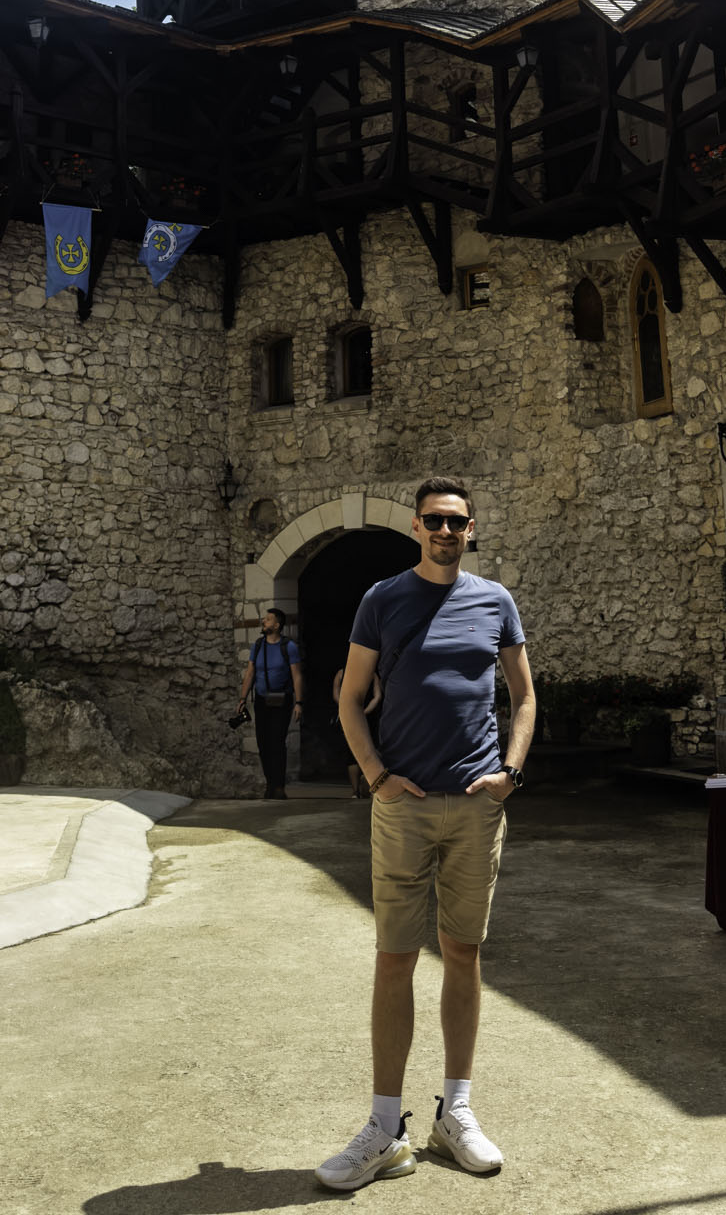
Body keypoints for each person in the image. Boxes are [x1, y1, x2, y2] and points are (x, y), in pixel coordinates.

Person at [315, 476, 536, 1192]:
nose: (445, 531)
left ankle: (455, 1114)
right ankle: (385, 1128)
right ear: (416, 527)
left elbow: (524, 696)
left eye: (456, 522)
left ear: (472, 529)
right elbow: (350, 699)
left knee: (463, 954)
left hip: (476, 805)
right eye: (434, 521)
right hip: (403, 805)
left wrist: (510, 772)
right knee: (394, 960)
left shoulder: (495, 601)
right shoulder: (382, 599)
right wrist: (376, 776)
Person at [235, 608, 303, 799]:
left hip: (282, 700)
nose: (263, 621)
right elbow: (250, 673)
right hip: (262, 700)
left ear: (277, 625)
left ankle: (279, 786)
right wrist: (242, 698)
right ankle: (270, 784)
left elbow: (297, 676)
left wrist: (299, 702)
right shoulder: (258, 646)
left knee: (277, 742)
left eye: (268, 619)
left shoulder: (288, 647)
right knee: (263, 743)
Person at [331, 661, 382, 798]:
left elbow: (336, 695)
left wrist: (352, 709)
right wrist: (364, 712)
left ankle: (356, 791)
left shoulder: (342, 673)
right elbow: (377, 696)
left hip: (352, 715)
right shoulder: (371, 674)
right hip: (365, 716)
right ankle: (366, 788)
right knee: (368, 749)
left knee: (354, 752)